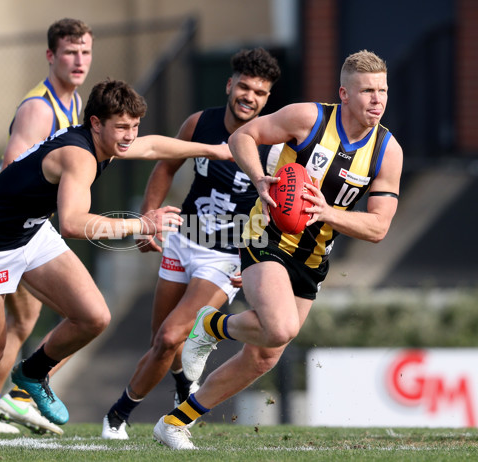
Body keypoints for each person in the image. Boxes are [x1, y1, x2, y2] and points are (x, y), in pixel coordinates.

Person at [0, 78, 233, 444]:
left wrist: (215, 150)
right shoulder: (79, 156)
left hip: (30, 232)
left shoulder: (108, 141)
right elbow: (74, 224)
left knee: (94, 316)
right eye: (122, 127)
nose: (129, 135)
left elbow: (154, 145)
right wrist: (142, 223)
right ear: (95, 123)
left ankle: (32, 372)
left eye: (134, 126)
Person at [153, 49, 403, 449]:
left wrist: (326, 213)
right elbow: (242, 136)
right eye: (368, 91)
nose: (378, 99)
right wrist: (258, 178)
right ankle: (211, 325)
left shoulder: (388, 151)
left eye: (383, 91)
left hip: (313, 257)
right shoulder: (309, 118)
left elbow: (378, 227)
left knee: (265, 356)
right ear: (344, 93)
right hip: (264, 235)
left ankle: (175, 421)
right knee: (281, 327)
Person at [101, 48, 281, 440]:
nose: (250, 97)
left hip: (227, 253)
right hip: (185, 239)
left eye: (260, 92)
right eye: (245, 87)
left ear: (268, 100)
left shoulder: (275, 145)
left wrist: (257, 263)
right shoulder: (200, 123)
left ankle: (116, 417)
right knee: (161, 342)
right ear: (229, 84)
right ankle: (184, 387)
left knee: (170, 336)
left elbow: (280, 212)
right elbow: (166, 165)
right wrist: (148, 221)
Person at [0, 18, 93, 436]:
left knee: (24, 324)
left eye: (85, 52)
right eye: (70, 53)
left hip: (27, 227)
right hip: (11, 231)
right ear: (50, 57)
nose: (79, 61)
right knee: (59, 318)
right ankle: (7, 400)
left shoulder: (75, 103)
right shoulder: (40, 107)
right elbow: (13, 164)